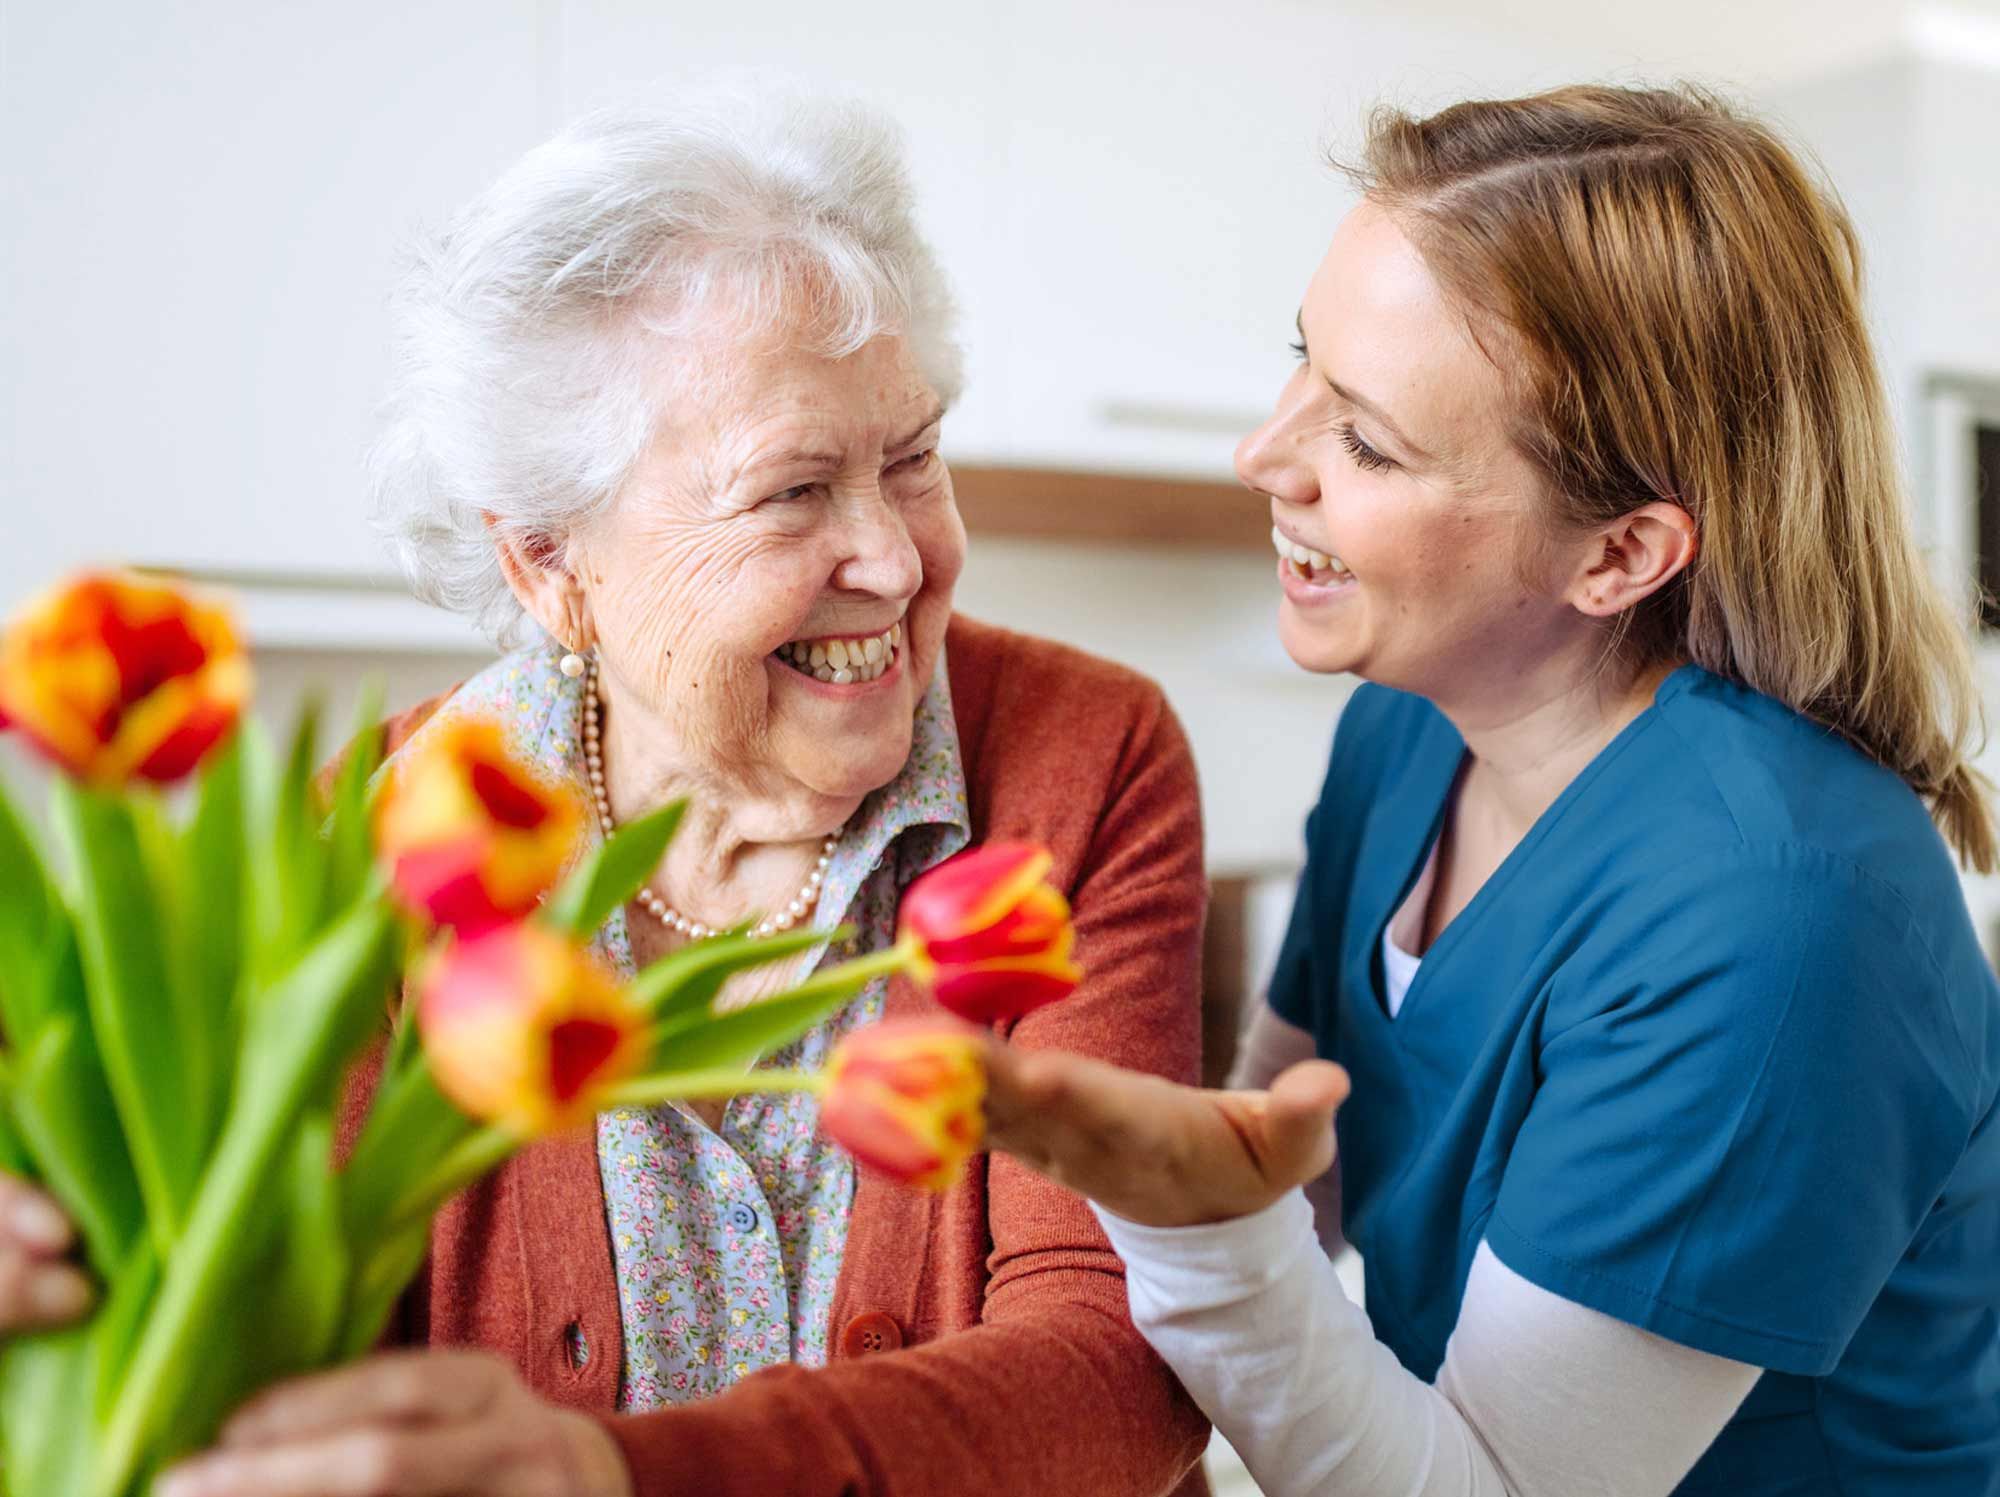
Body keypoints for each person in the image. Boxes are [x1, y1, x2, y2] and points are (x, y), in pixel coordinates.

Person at [0, 90, 1212, 1497]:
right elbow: (265, 1343)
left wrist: (611, 1471)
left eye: (913, 458)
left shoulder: (1084, 754)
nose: (893, 557)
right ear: (545, 565)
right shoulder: (384, 838)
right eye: (792, 492)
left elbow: (1122, 1359)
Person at [981, 83, 2000, 1495]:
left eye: (1368, 441)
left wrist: (1194, 1227)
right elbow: (1282, 1161)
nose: (1264, 458)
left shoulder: (1776, 916)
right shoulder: (1406, 729)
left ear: (1621, 554)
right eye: (1302, 366)